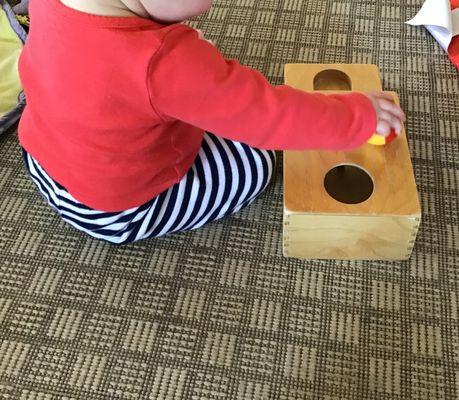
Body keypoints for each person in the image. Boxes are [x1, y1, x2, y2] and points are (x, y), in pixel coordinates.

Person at [17, 0, 405, 244]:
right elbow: (268, 116)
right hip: (114, 212)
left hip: (43, 159)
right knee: (256, 164)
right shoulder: (164, 63)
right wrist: (358, 116)